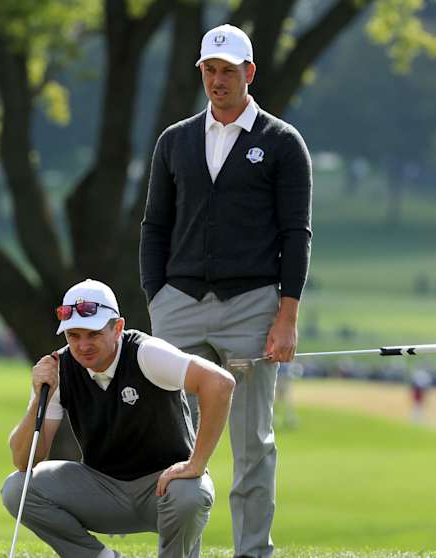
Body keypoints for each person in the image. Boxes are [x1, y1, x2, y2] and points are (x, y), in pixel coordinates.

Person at [140, 24, 312, 558]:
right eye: (209, 71)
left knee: (252, 445)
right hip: (180, 307)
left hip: (252, 309)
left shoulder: (282, 144)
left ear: (249, 73)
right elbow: (154, 227)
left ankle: (252, 552)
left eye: (228, 72)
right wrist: (157, 298)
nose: (217, 81)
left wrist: (286, 316)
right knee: (174, 443)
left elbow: (295, 234)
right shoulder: (175, 141)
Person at [1, 279, 236, 558]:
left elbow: (220, 384)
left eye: (93, 334)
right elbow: (25, 460)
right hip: (102, 489)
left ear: (118, 328)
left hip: (163, 488)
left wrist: (197, 464)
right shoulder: (58, 369)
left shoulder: (146, 353)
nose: (83, 345)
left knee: (190, 494)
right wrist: (41, 397)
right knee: (17, 488)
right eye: (73, 336)